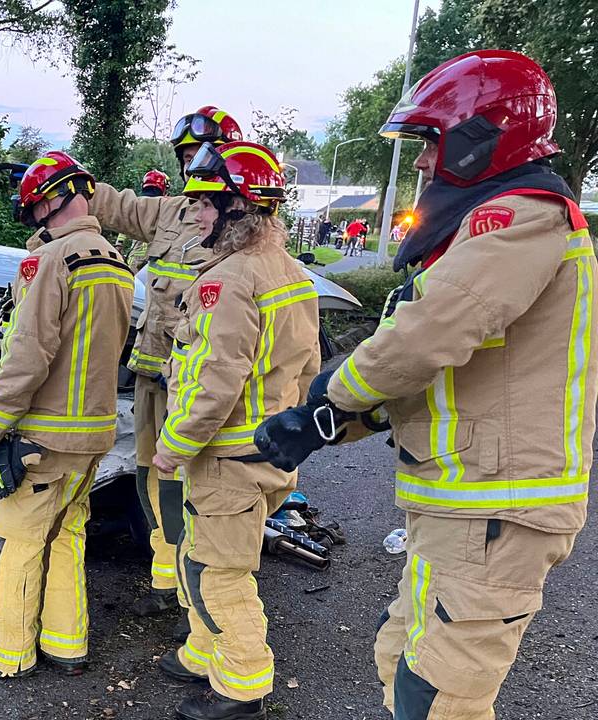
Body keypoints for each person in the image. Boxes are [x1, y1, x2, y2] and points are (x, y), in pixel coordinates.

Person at [254, 50, 594, 720]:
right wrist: (344, 421)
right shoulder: (497, 228)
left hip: (493, 506)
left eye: (429, 143)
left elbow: (429, 332)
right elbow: (452, 365)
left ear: (478, 139)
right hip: (467, 506)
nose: (419, 163)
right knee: (404, 663)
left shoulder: (524, 216)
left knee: (438, 696)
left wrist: (326, 403)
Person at [150, 140, 320, 720]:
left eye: (205, 203)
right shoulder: (291, 273)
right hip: (266, 450)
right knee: (200, 552)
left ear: (239, 209)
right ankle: (204, 649)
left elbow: (213, 377)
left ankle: (243, 681)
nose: (194, 213)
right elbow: (309, 368)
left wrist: (173, 447)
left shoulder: (230, 280)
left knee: (219, 572)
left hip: (225, 456)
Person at [0, 150, 134, 678]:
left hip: (45, 436)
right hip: (95, 432)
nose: (35, 222)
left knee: (18, 539)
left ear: (51, 202)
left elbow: (26, 357)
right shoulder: (116, 263)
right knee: (68, 533)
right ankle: (66, 642)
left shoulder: (50, 263)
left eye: (35, 211)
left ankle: (5, 650)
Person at [88, 106, 245, 628]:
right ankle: (164, 578)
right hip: (154, 372)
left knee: (188, 491)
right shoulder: (172, 212)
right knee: (148, 481)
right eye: (185, 157)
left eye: (203, 154)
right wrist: (70, 183)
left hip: (197, 384)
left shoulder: (239, 226)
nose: (192, 165)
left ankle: (192, 597)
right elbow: (120, 206)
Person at [124, 169, 173, 269]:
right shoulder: (167, 204)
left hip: (134, 260)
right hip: (154, 259)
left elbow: (124, 223)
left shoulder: (136, 203)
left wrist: (118, 244)